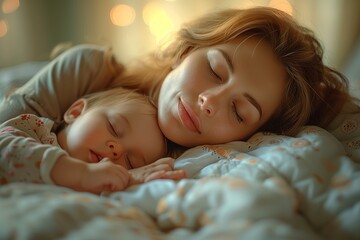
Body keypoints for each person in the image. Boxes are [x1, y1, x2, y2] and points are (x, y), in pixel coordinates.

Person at [0, 7, 358, 156]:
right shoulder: (89, 68)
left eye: (238, 111)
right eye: (216, 70)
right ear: (185, 51)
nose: (210, 101)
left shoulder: (197, 163)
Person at [0, 88, 186, 194]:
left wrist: (121, 179)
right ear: (75, 112)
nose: (117, 150)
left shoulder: (100, 188)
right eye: (114, 128)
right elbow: (7, 152)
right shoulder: (32, 129)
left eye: (130, 162)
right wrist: (83, 173)